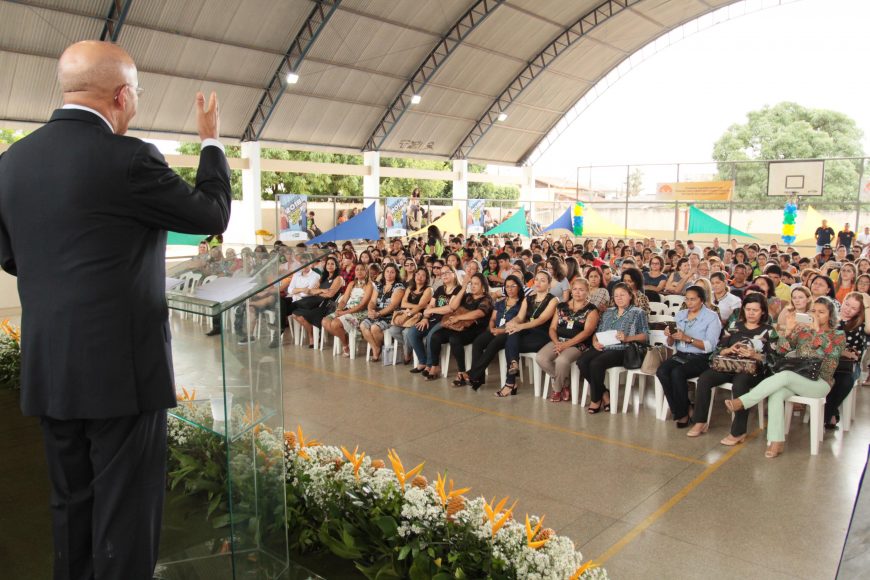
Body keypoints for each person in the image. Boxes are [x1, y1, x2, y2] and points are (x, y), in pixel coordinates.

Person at [0, 41, 231, 578]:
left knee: (70, 506)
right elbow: (211, 214)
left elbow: (12, 257)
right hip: (122, 375)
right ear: (123, 95)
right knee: (126, 514)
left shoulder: (10, 163)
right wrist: (210, 140)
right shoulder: (130, 158)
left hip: (51, 368)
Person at [726, 297, 845, 458]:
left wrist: (817, 331)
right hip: (797, 379)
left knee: (785, 375)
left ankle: (743, 402)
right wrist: (788, 331)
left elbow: (833, 353)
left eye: (821, 312)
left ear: (830, 316)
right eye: (813, 311)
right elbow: (781, 351)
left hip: (820, 383)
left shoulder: (838, 335)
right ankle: (777, 441)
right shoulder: (803, 331)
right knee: (777, 393)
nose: (816, 315)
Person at [689, 294, 776, 443]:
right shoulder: (734, 326)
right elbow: (718, 349)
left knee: (740, 384)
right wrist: (728, 350)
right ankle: (700, 421)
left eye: (755, 310)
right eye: (748, 309)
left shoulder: (769, 331)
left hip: (752, 371)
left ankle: (738, 432)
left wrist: (754, 355)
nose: (751, 313)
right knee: (704, 379)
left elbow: (774, 360)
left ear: (762, 311)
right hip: (729, 365)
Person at [578, 283, 649, 413]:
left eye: (622, 295)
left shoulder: (638, 312)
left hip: (623, 349)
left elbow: (645, 336)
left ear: (630, 296)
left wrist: (627, 338)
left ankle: (595, 400)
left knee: (596, 363)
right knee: (582, 361)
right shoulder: (608, 312)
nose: (619, 298)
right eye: (616, 296)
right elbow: (597, 332)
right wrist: (594, 342)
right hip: (604, 346)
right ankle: (604, 394)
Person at [657, 285, 722, 428]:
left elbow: (710, 346)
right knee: (662, 371)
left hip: (702, 357)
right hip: (681, 354)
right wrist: (670, 335)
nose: (689, 303)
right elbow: (670, 343)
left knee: (677, 373)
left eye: (693, 299)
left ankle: (681, 415)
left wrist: (688, 338)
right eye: (687, 299)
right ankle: (684, 408)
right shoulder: (681, 314)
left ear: (701, 300)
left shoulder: (711, 317)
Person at [495, 271, 559, 397]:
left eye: (543, 280)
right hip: (528, 331)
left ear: (549, 284)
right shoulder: (528, 298)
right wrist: (512, 323)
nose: (538, 283)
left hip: (542, 334)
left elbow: (541, 320)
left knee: (510, 343)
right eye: (536, 279)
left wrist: (519, 326)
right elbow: (520, 317)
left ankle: (511, 382)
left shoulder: (553, 300)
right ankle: (513, 368)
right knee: (512, 333)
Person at [537, 278, 599, 402]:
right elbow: (552, 328)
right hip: (559, 340)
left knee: (561, 361)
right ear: (571, 291)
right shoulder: (561, 306)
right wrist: (557, 343)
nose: (577, 292)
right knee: (541, 358)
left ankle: (557, 389)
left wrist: (566, 345)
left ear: (587, 291)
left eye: (581, 290)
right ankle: (565, 383)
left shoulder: (592, 309)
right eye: (575, 289)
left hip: (578, 344)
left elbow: (587, 332)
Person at [427, 273, 493, 385]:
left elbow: (479, 313)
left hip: (475, 329)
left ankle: (461, 372)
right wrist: (463, 288)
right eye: (471, 284)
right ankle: (435, 366)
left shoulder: (487, 299)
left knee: (454, 339)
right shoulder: (468, 296)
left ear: (483, 286)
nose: (473, 286)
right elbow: (453, 306)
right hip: (458, 326)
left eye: (476, 284)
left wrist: (458, 318)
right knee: (435, 336)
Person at [467, 275, 524, 390]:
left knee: (493, 344)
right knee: (478, 342)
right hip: (496, 329)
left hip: (510, 332)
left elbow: (519, 322)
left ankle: (473, 374)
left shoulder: (522, 303)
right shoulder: (500, 302)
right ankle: (478, 378)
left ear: (519, 287)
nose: (510, 289)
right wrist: (492, 328)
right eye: (507, 286)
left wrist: (500, 331)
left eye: (513, 286)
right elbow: (493, 319)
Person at [825, 292, 870, 428]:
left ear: (859, 312)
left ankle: (825, 415)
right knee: (825, 376)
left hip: (848, 366)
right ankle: (831, 414)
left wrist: (867, 306)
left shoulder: (860, 325)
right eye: (847, 304)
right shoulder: (830, 319)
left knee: (845, 380)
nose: (848, 309)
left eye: (853, 308)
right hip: (827, 362)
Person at [408, 266, 462, 375]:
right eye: (442, 273)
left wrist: (431, 310)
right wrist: (425, 318)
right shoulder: (440, 289)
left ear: (454, 273)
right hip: (433, 319)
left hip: (446, 321)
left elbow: (450, 308)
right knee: (412, 333)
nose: (444, 275)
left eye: (447, 272)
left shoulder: (458, 289)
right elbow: (431, 305)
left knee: (431, 336)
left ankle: (430, 365)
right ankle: (422, 361)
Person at [322, 263, 374, 357]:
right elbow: (344, 300)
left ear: (366, 272)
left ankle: (345, 346)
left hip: (360, 312)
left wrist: (344, 313)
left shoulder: (369, 285)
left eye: (362, 269)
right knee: (325, 321)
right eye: (357, 269)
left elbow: (362, 305)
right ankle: (346, 343)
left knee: (335, 323)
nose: (359, 271)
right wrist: (339, 309)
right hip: (347, 309)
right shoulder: (352, 283)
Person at [293, 256, 344, 347]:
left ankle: (312, 336)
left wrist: (318, 292)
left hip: (328, 306)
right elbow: (311, 291)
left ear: (336, 266)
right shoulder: (323, 277)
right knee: (295, 314)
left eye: (332, 264)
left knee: (300, 314)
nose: (330, 266)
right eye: (328, 264)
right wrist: (322, 290)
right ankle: (312, 333)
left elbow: (330, 294)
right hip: (317, 303)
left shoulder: (338, 278)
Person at [360, 263, 405, 362]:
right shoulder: (379, 285)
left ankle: (378, 347)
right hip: (376, 313)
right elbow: (372, 301)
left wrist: (378, 314)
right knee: (363, 325)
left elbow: (393, 305)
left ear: (396, 274)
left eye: (392, 272)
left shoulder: (399, 287)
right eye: (387, 271)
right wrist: (370, 310)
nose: (389, 274)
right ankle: (375, 347)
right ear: (384, 273)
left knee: (374, 328)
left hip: (390, 315)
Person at [390, 268, 432, 365]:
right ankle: (411, 346)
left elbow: (421, 307)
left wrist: (409, 312)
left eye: (423, 275)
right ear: (414, 276)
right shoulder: (409, 288)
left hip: (419, 317)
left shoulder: (428, 290)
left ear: (426, 278)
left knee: (406, 332)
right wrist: (419, 306)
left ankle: (407, 354)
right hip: (407, 315)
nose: (419, 277)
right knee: (393, 330)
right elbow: (403, 304)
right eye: (418, 274)